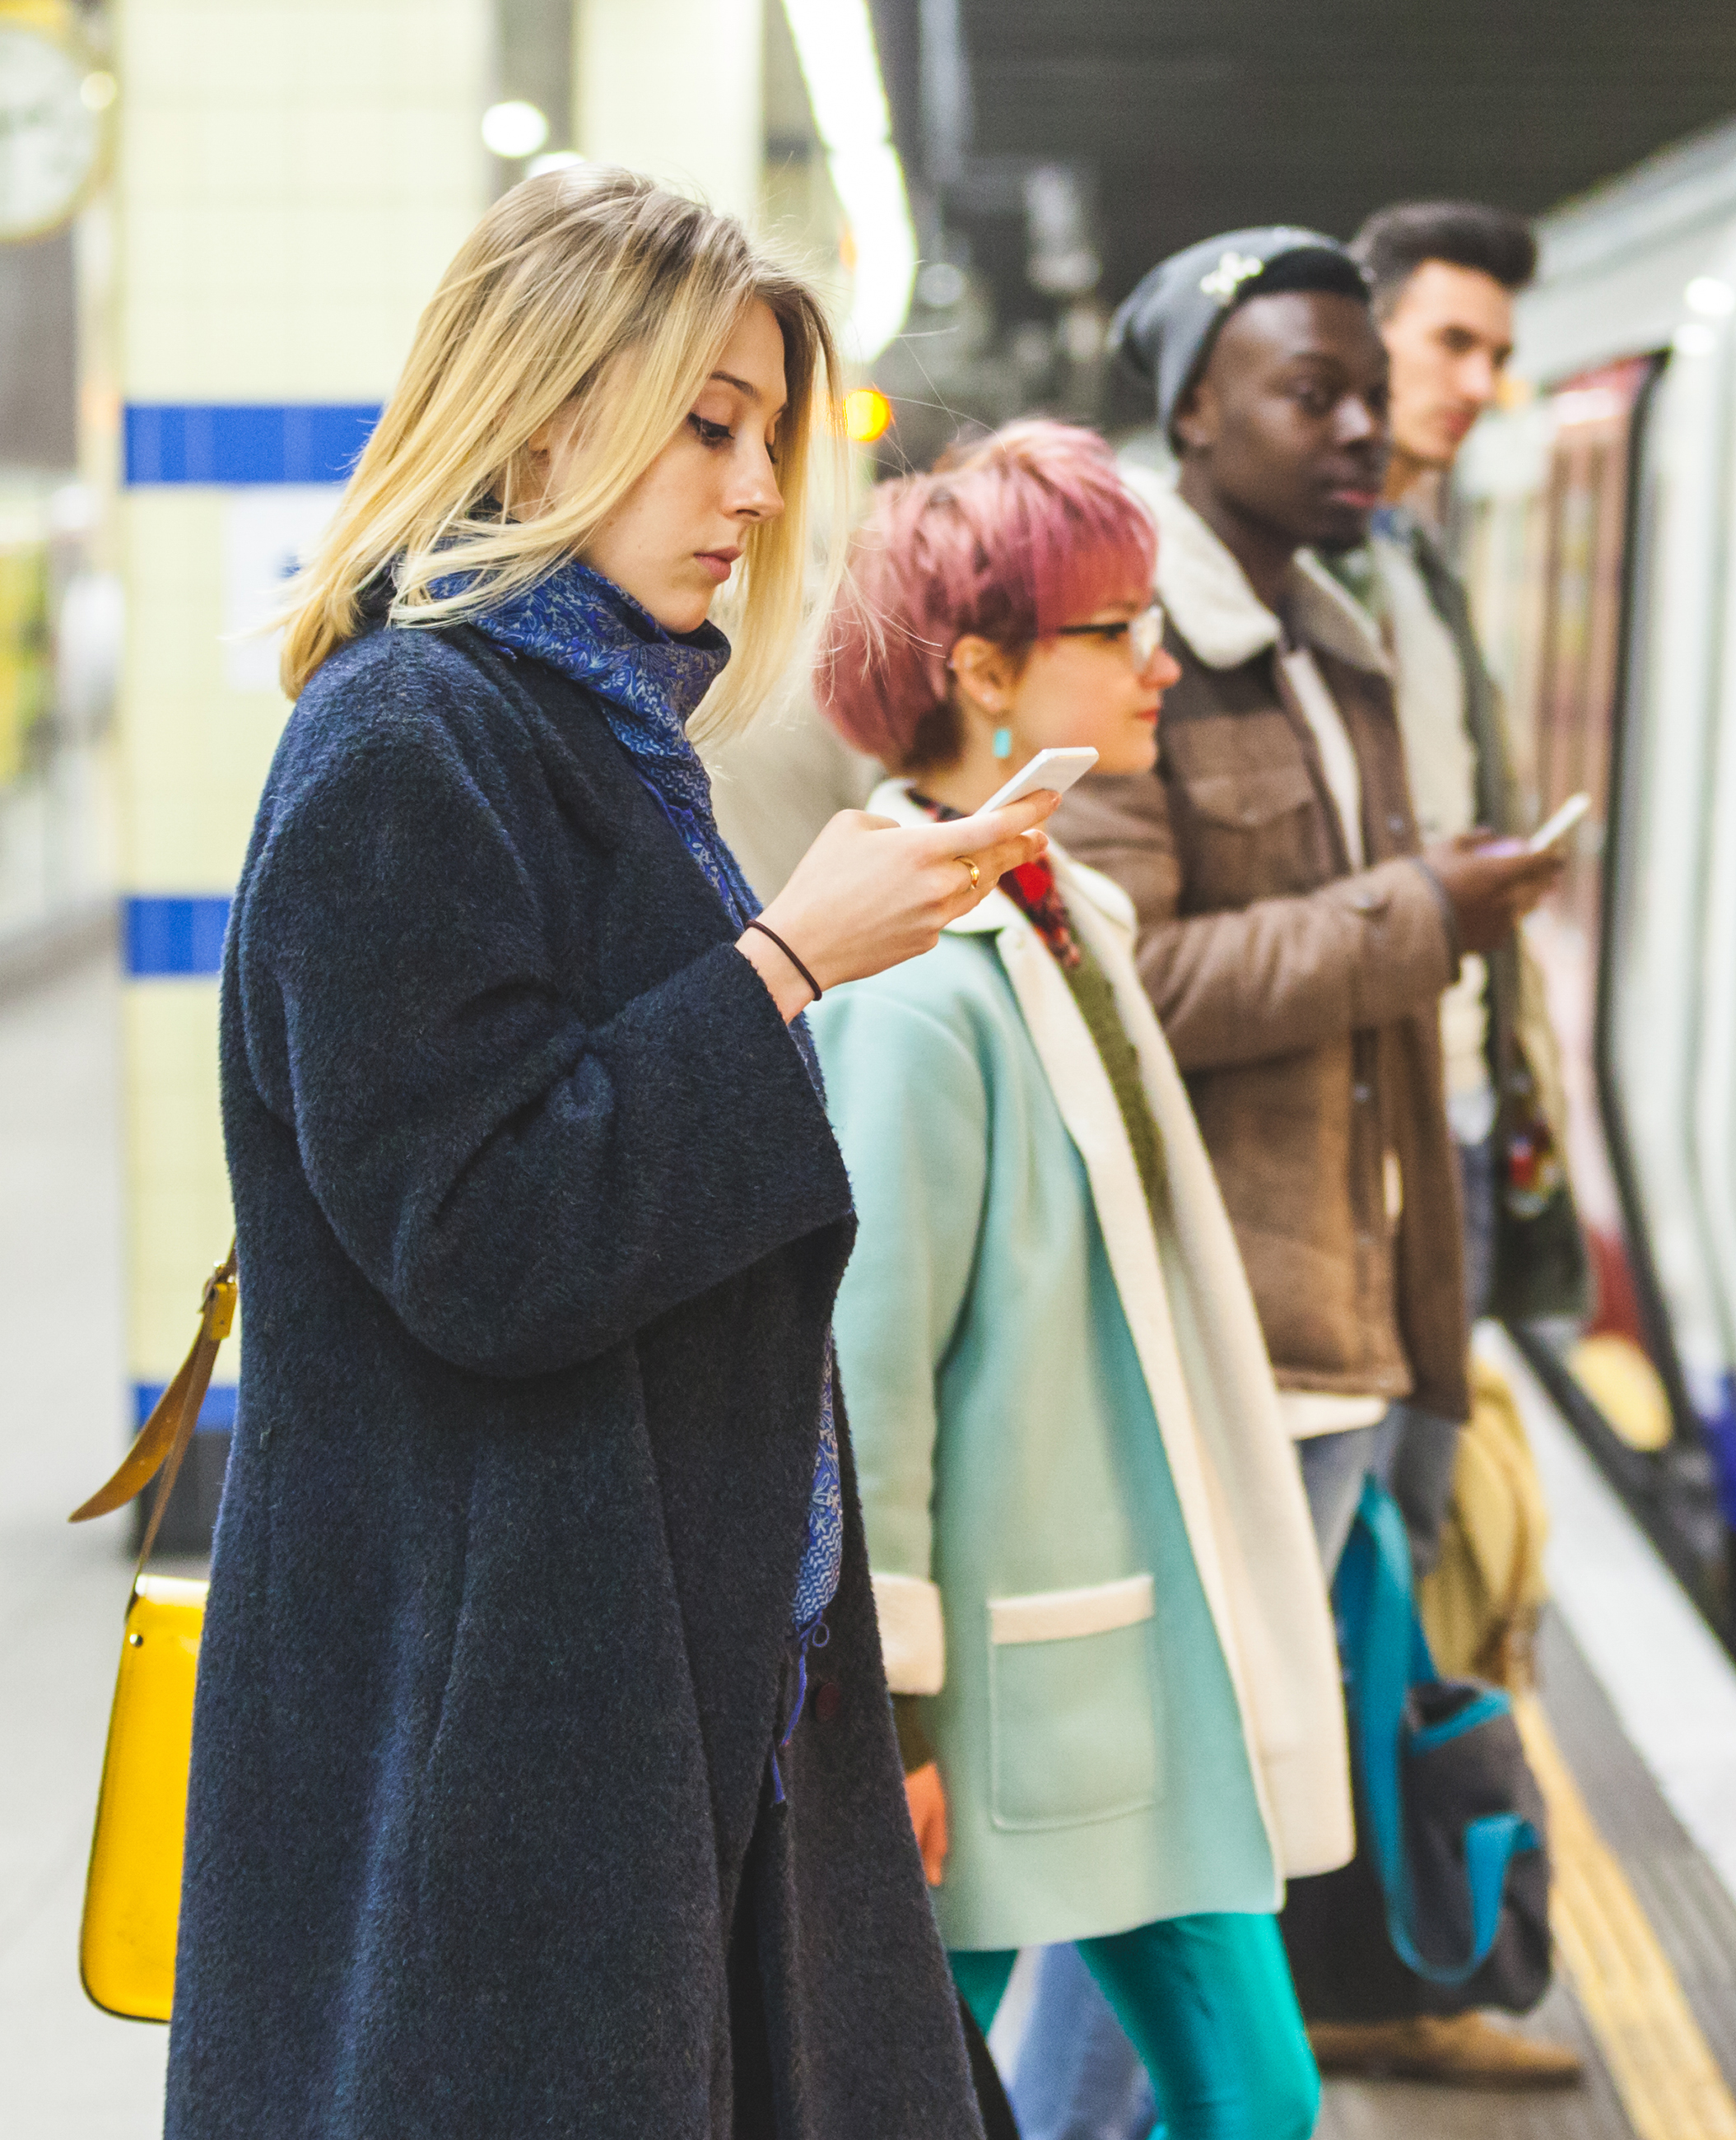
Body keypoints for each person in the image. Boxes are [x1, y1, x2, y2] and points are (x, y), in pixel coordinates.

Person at [184, 165, 1060, 2138]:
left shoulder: (588, 735)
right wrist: (788, 959)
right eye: (708, 422)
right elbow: (485, 1235)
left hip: (656, 1686)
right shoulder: (410, 738)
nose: (757, 491)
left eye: (766, 431)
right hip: (503, 1735)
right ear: (545, 412)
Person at [1055, 225, 1577, 2091]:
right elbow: (1134, 973)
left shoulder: (1336, 637)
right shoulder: (1140, 653)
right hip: (1226, 1342)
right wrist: (1417, 912)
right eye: (1315, 391)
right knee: (1173, 1849)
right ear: (1195, 407)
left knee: (1215, 1841)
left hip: (1339, 1323)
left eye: (1373, 390)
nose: (1365, 428)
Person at [809, 420, 1350, 2140]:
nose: (1161, 660)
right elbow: (867, 1374)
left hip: (1126, 1653)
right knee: (917, 2090)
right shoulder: (914, 994)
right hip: (996, 1690)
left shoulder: (1060, 909)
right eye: (1117, 629)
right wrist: (886, 1719)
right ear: (981, 670)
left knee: (1250, 2091)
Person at [1337, 199, 1591, 1575]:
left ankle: (1394, 1774)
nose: (1481, 386)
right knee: (1369, 1539)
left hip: (1461, 1101)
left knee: (1416, 1528)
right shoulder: (1297, 576)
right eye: (1452, 343)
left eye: (1496, 354)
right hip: (1371, 1130)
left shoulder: (1416, 563)